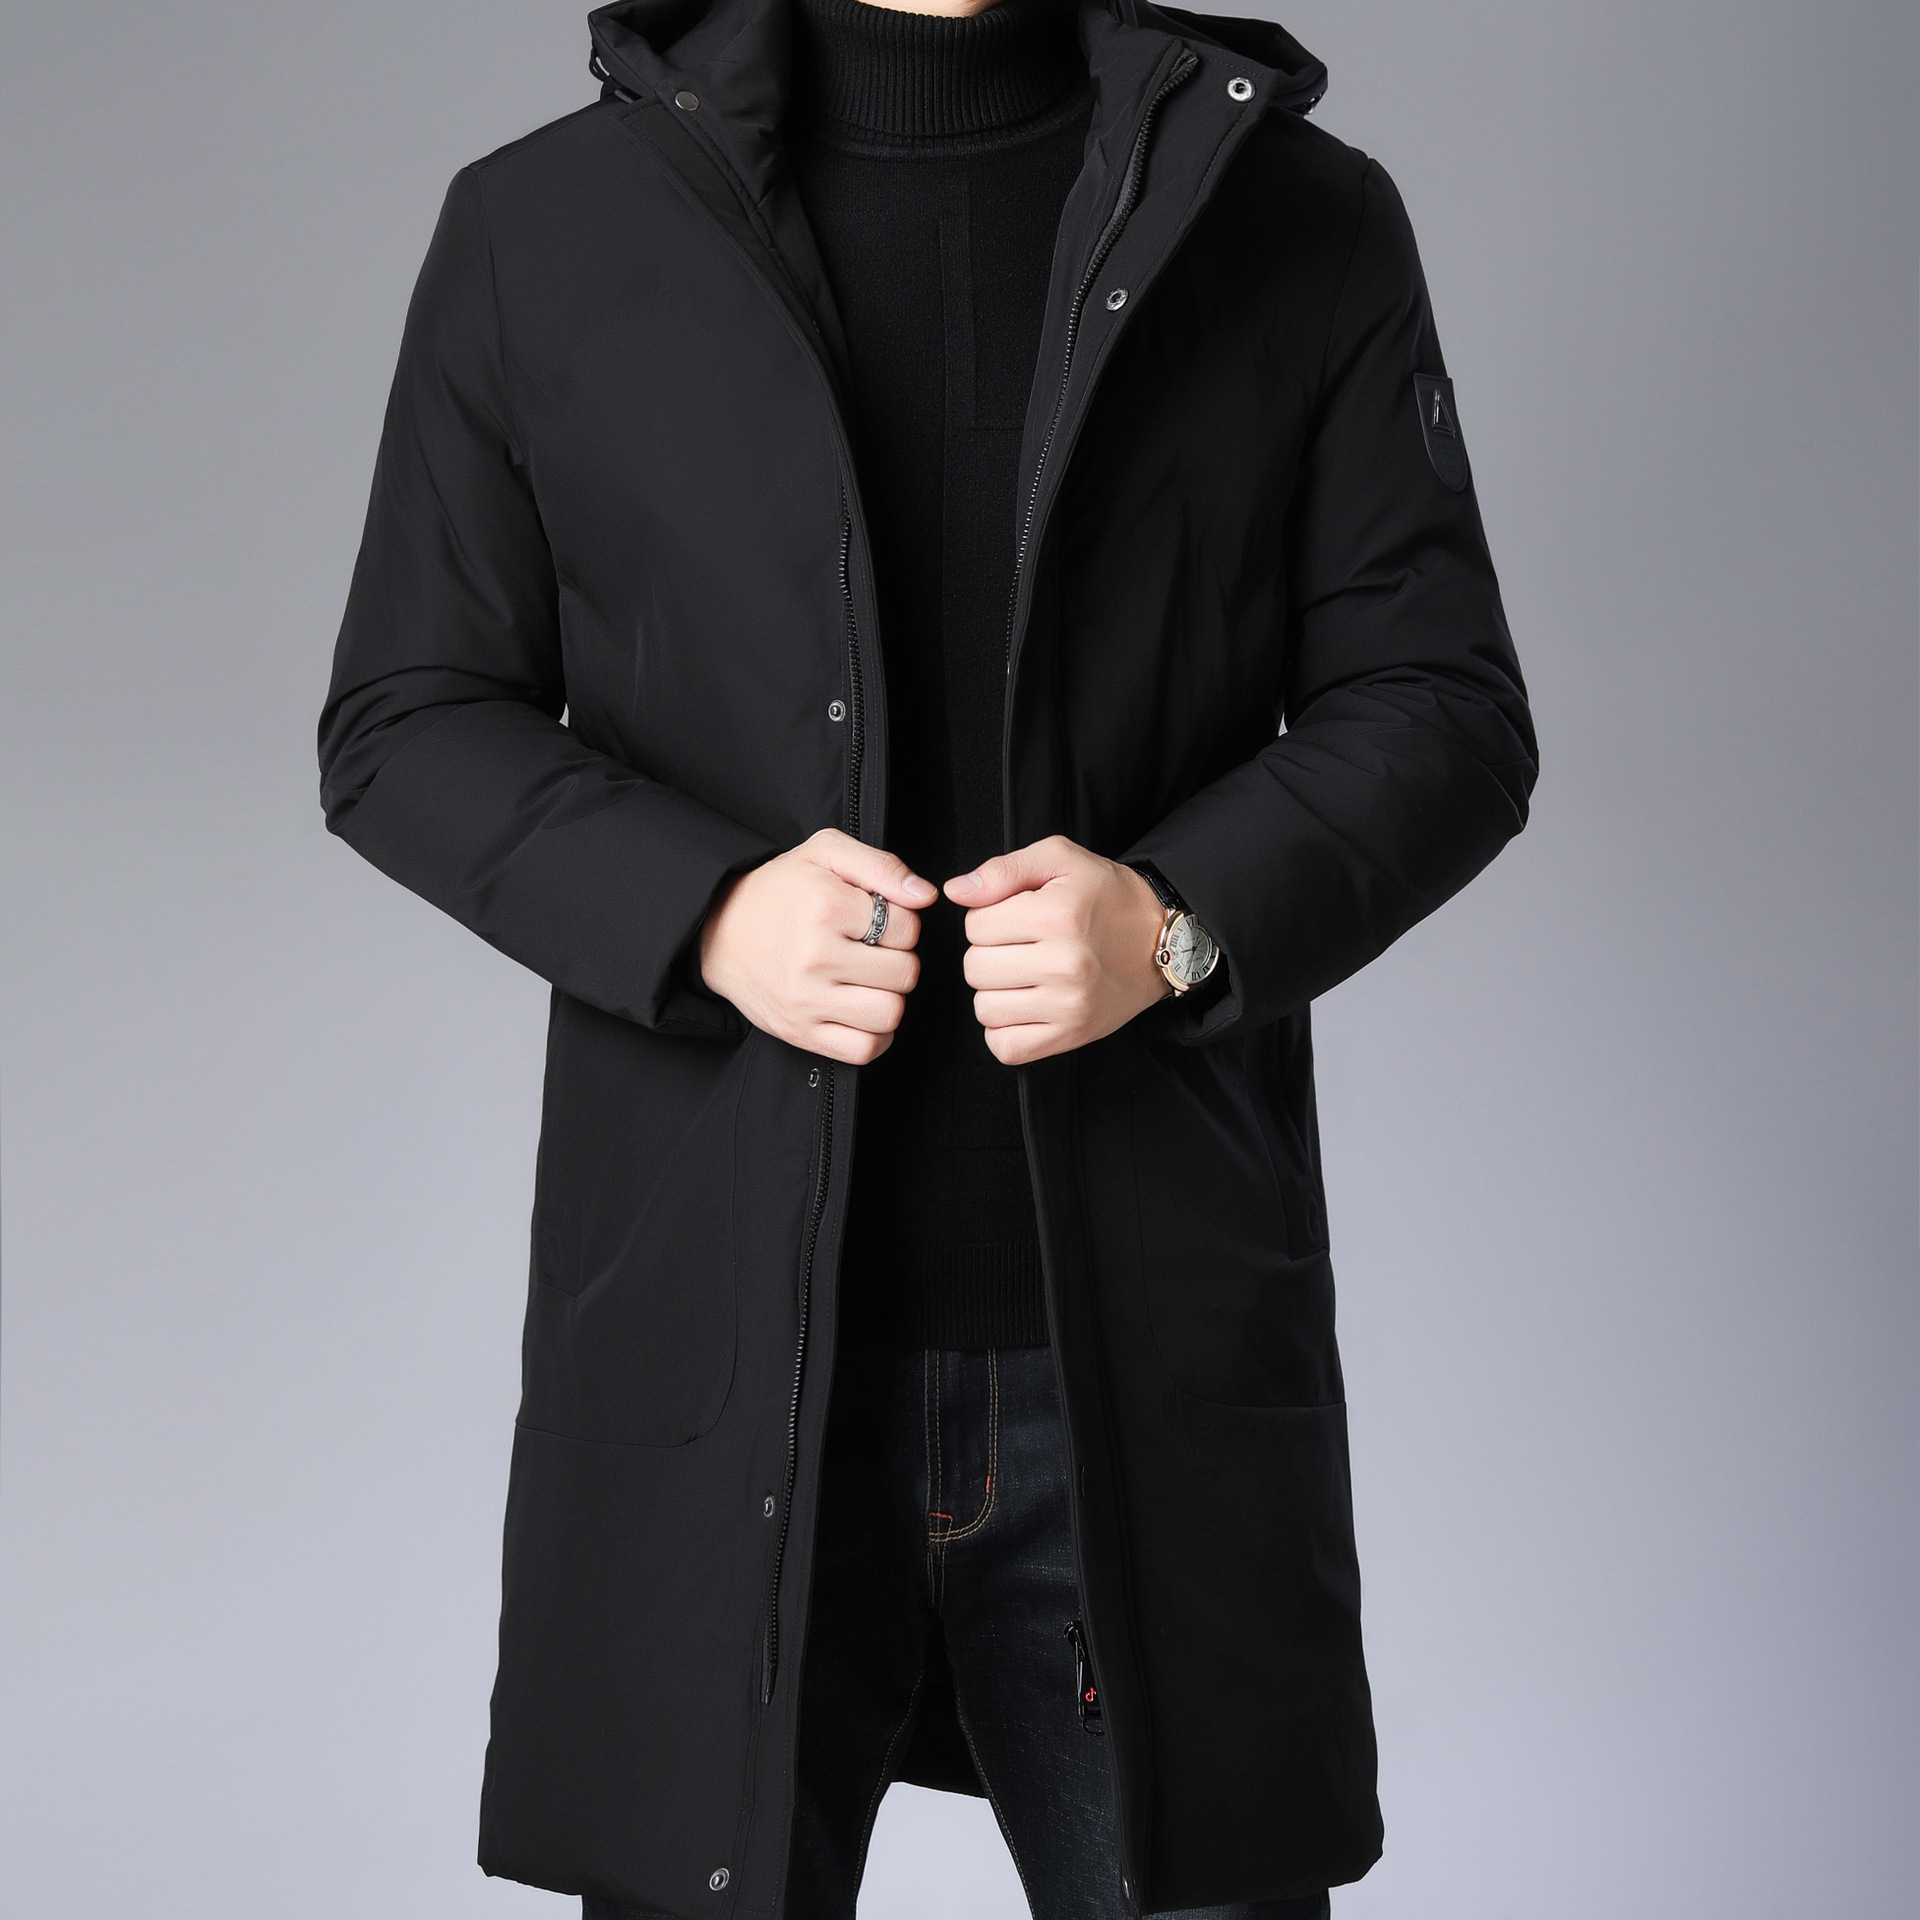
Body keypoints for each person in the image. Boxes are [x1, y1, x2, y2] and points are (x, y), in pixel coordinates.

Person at [318, 0, 1536, 1911]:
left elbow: (1445, 708)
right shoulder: (543, 226)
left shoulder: (1294, 217)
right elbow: (405, 714)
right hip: (723, 1375)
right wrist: (707, 913)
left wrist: (1176, 922)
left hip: (1138, 1370)